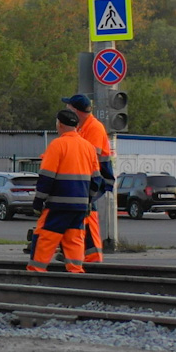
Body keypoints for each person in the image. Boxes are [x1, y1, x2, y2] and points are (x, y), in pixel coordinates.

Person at [28, 109, 103, 274]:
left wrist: (38, 201)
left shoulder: (57, 145)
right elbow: (96, 180)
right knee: (74, 239)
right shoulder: (88, 147)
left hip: (58, 205)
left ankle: (35, 272)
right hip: (80, 207)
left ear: (59, 124)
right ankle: (76, 273)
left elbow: (47, 177)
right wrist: (88, 201)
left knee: (44, 237)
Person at [62, 92, 115, 262]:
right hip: (86, 177)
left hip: (96, 178)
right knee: (77, 212)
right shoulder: (81, 127)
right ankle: (75, 252)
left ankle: (92, 256)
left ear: (76, 111)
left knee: (87, 213)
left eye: (68, 107)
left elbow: (91, 157)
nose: (66, 109)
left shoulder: (94, 127)